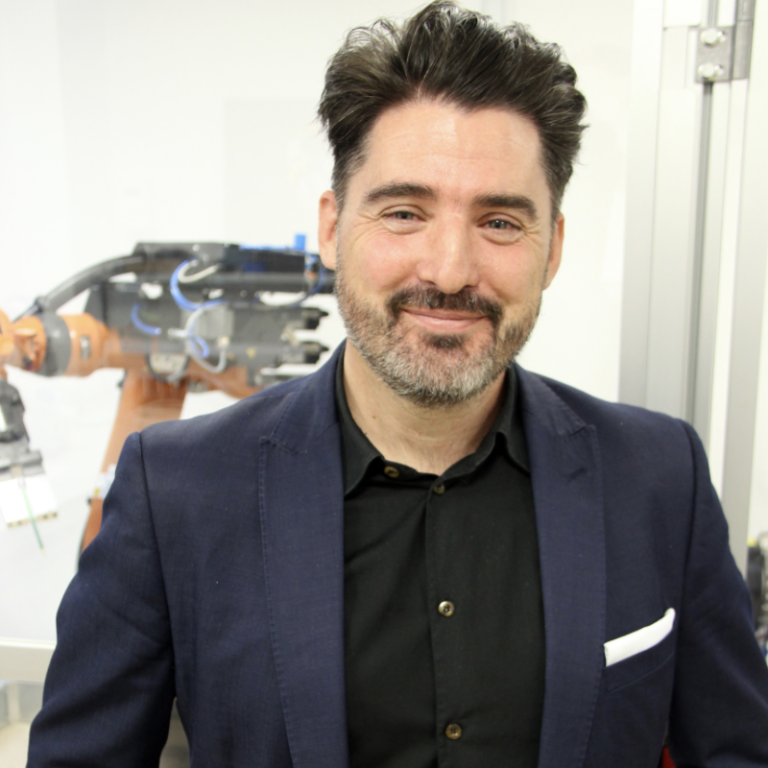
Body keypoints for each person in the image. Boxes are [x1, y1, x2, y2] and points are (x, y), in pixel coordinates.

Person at [27, 3, 768, 767]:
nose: (448, 270)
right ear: (331, 227)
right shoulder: (177, 491)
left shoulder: (660, 479)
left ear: (552, 248)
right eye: (405, 212)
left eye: (500, 223)